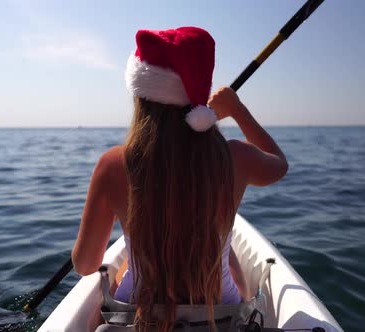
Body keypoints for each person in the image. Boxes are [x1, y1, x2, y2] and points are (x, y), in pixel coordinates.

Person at [72, 27, 288, 331]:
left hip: (137, 313)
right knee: (229, 257)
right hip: (218, 314)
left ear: (140, 95)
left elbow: (85, 265)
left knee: (125, 270)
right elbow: (279, 164)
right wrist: (238, 111)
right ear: (198, 96)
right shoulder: (236, 157)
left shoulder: (113, 164)